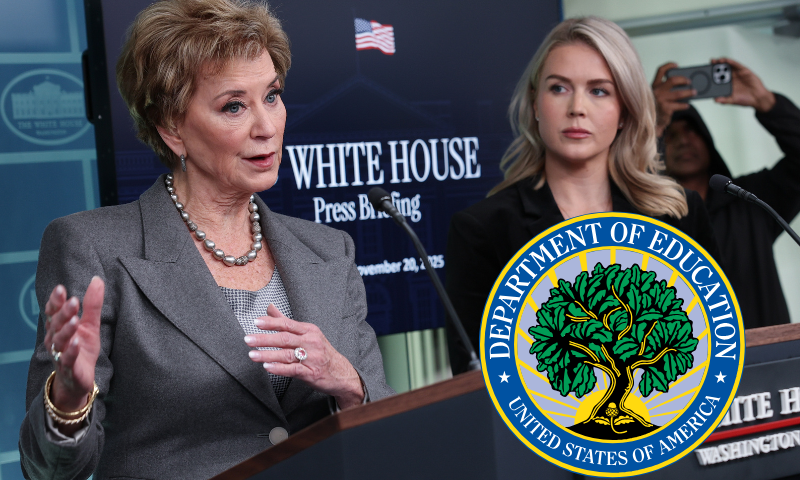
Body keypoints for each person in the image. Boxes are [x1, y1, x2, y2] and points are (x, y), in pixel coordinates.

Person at [19, 0, 393, 478]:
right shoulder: (92, 248)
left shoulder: (329, 249)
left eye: (272, 96)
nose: (267, 127)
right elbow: (49, 471)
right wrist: (67, 400)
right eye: (234, 106)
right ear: (171, 127)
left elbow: (383, 432)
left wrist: (347, 383)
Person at [445, 17, 721, 375]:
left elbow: (718, 351)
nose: (577, 107)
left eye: (599, 90)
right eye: (559, 88)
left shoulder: (678, 215)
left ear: (625, 110)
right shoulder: (482, 230)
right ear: (535, 104)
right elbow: (472, 382)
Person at [652, 59, 800, 329]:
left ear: (708, 140)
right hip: (690, 366)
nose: (683, 140)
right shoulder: (646, 219)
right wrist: (651, 123)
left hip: (771, 359)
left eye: (690, 130)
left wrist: (766, 102)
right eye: (670, 135)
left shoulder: (751, 199)